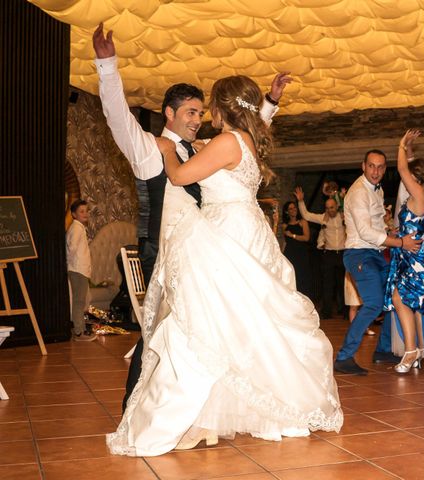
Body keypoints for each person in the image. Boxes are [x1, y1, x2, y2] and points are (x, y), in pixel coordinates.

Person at [106, 74, 343, 456]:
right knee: (244, 323)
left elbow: (181, 175)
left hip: (222, 236)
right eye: (194, 110)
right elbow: (248, 133)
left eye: (208, 106)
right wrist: (272, 101)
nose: (204, 114)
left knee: (204, 326)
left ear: (222, 108)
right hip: (245, 232)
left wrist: (168, 150)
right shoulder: (244, 140)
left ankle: (189, 417)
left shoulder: (224, 141)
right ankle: (223, 416)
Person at [92, 23, 290, 412]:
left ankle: (198, 409)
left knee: (196, 331)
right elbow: (118, 118)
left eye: (201, 111)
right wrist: (107, 66)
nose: (198, 118)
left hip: (203, 255)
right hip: (162, 251)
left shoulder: (205, 146)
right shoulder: (150, 148)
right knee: (160, 332)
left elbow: (242, 139)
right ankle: (138, 408)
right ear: (169, 113)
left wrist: (269, 103)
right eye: (190, 112)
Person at [333, 149, 423, 375]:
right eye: (372, 166)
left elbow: (374, 225)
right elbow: (364, 232)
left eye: (381, 167)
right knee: (373, 304)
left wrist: (390, 231)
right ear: (363, 166)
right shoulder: (358, 193)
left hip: (375, 252)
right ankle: (344, 357)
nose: (376, 171)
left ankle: (382, 349)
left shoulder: (378, 189)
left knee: (394, 297)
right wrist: (400, 242)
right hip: (359, 253)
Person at [383, 130, 424, 372]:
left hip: (416, 260)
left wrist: (401, 146)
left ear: (415, 178)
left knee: (400, 299)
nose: (405, 178)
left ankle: (412, 350)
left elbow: (402, 170)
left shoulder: (421, 196)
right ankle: (416, 349)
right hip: (412, 256)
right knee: (406, 301)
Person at [295, 187, 345, 319]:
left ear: (337, 207)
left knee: (343, 284)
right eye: (328, 208)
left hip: (343, 254)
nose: (330, 210)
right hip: (328, 254)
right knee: (327, 284)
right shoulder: (322, 218)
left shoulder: (343, 216)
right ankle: (327, 312)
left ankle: (344, 311)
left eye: (332, 207)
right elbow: (306, 215)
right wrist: (300, 201)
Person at [66, 199, 96, 342]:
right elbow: (71, 249)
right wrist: (72, 266)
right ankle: (79, 331)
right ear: (73, 214)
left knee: (80, 300)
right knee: (79, 301)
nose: (85, 214)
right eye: (81, 211)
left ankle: (80, 329)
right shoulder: (77, 228)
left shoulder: (78, 227)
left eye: (86, 211)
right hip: (78, 270)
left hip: (80, 269)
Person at [281, 200, 312, 297]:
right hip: (290, 253)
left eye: (294, 207)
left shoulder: (303, 222)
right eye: (291, 208)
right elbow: (285, 242)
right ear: (287, 212)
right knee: (292, 276)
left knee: (303, 277)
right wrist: (281, 254)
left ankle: (305, 301)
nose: (294, 210)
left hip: (301, 253)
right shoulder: (284, 225)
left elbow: (306, 238)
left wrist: (293, 235)